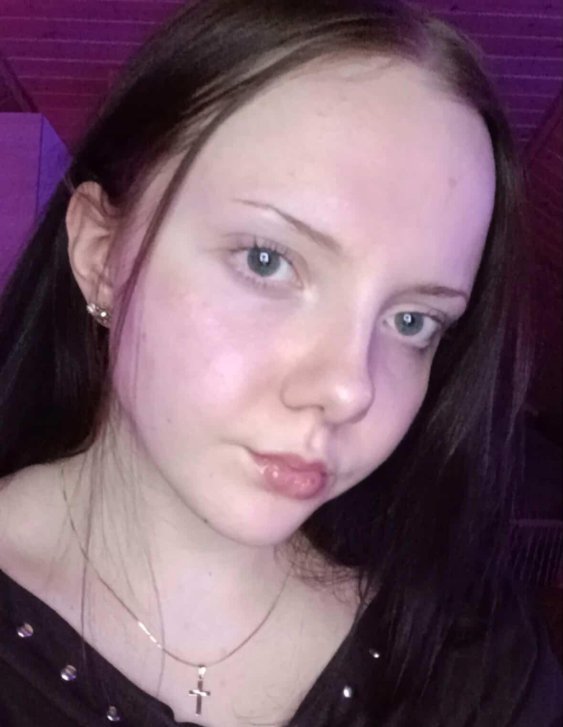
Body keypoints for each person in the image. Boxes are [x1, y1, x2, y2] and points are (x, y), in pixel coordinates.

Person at [0, 0, 561, 725]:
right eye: (266, 261)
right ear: (101, 256)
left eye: (412, 321)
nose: (349, 388)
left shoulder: (480, 666)